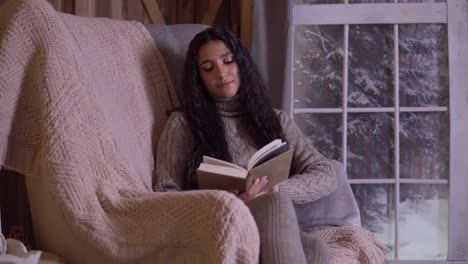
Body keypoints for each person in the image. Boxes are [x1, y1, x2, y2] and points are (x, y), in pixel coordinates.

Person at [154, 26, 337, 264]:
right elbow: (164, 192)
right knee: (273, 204)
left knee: (316, 247)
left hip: (273, 221)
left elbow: (327, 173)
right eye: (208, 68)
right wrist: (228, 202)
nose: (221, 73)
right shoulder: (182, 124)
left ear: (242, 64)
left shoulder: (276, 120)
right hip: (219, 224)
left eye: (228, 61)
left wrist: (276, 189)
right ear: (199, 79)